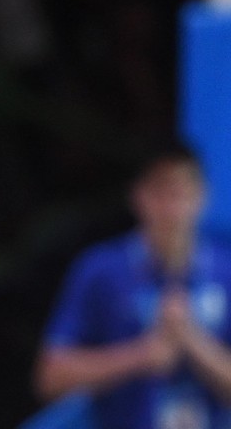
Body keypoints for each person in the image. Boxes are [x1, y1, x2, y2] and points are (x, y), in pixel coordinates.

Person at [34, 141, 231, 429]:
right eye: (160, 193)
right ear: (138, 196)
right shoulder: (101, 270)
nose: (172, 209)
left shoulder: (225, 270)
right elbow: (51, 376)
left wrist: (192, 340)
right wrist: (141, 355)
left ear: (202, 195)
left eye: (181, 192)